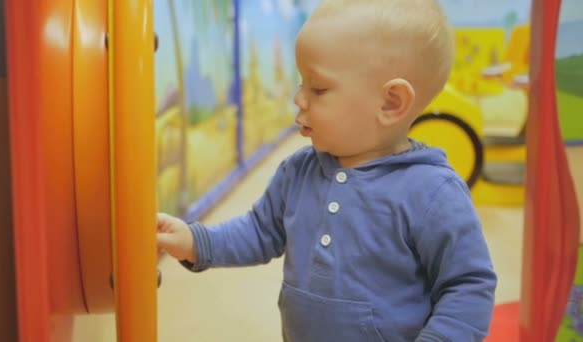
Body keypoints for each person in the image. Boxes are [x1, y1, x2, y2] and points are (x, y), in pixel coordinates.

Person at [157, 0, 497, 341]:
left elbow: (467, 285)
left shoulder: (432, 192)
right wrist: (195, 241)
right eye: (301, 83)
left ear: (391, 102)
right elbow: (258, 232)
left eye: (317, 88)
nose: (299, 98)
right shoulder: (297, 172)